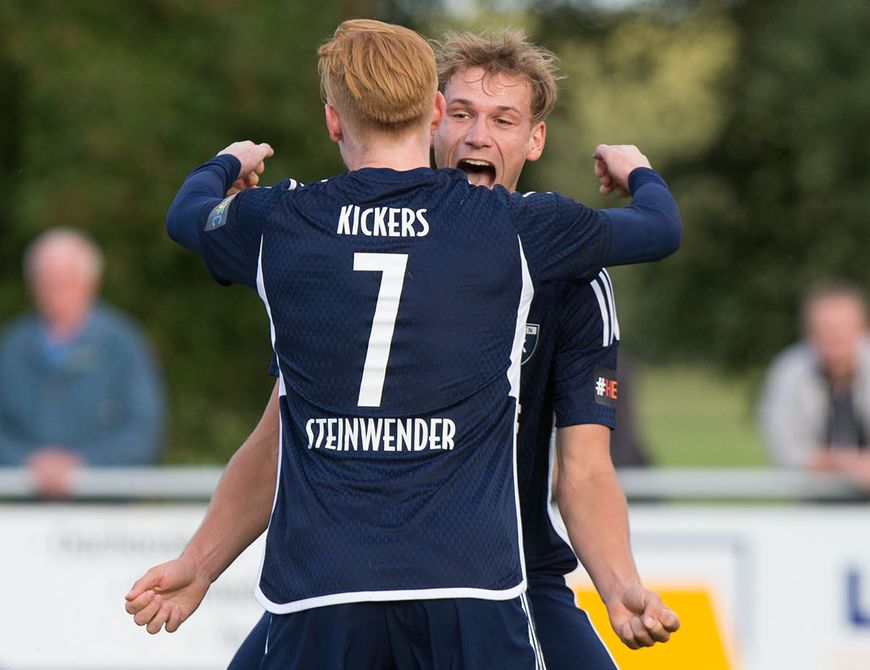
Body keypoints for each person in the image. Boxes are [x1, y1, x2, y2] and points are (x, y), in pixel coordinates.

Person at [125, 20, 680, 669]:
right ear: (436, 115)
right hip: (446, 585)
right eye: (466, 112)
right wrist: (199, 563)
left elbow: (584, 468)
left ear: (535, 140)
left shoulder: (301, 230)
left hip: (504, 577)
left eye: (503, 119)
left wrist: (618, 586)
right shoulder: (504, 230)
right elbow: (278, 437)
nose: (478, 134)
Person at [0, 228, 166, 498]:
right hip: (24, 515)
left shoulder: (123, 343)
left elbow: (143, 431)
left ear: (91, 281)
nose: (54, 290)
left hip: (102, 517)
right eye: (46, 280)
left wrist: (82, 465)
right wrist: (28, 463)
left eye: (65, 280)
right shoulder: (14, 345)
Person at [759, 282, 870, 490]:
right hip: (814, 500)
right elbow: (787, 449)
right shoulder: (789, 372)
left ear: (862, 328)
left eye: (842, 327)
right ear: (808, 332)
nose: (833, 336)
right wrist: (849, 465)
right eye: (823, 328)